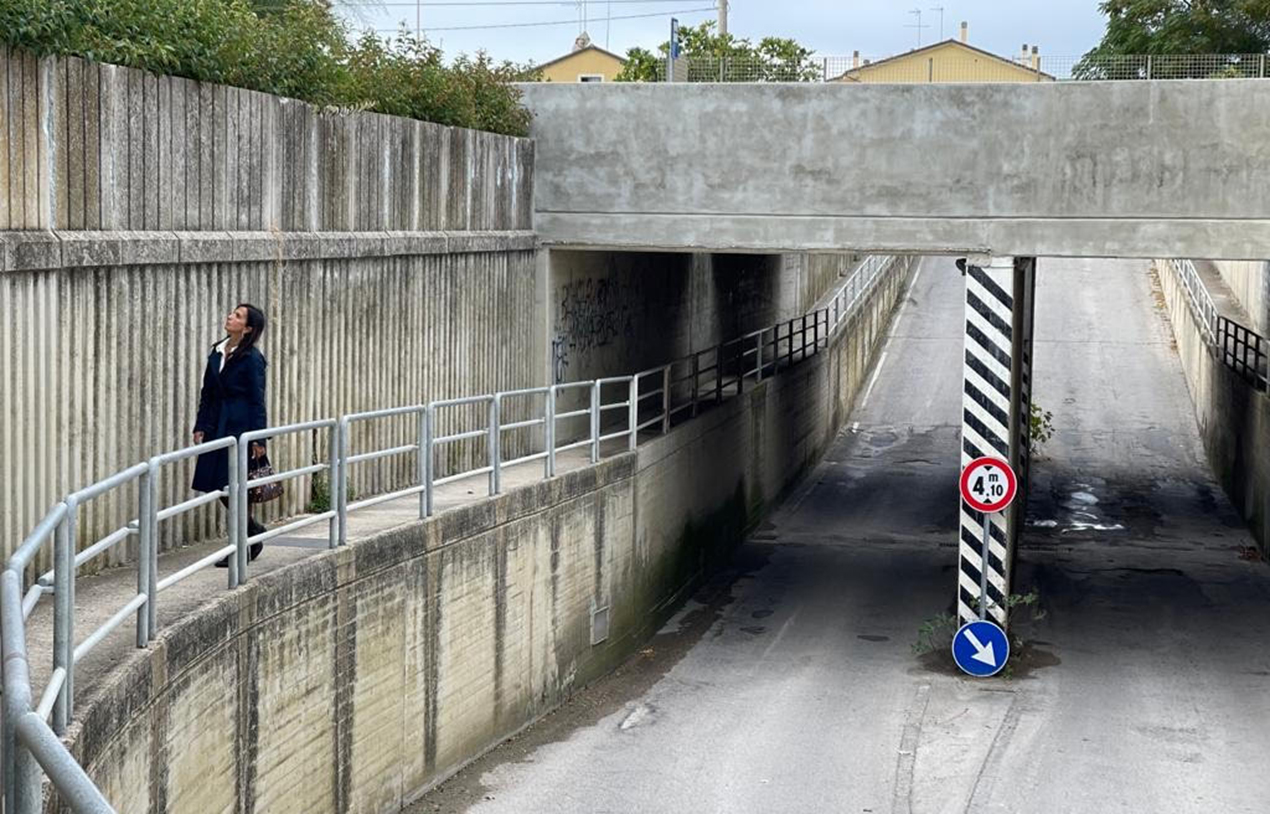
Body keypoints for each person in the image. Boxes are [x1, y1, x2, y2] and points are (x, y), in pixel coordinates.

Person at [191, 303, 269, 564]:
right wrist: (201, 424)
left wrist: (259, 437)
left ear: (247, 329)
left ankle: (241, 548)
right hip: (216, 426)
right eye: (232, 313)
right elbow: (207, 393)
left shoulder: (252, 359)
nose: (230, 317)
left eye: (237, 316)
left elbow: (258, 400)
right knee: (217, 484)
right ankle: (253, 531)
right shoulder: (217, 352)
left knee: (236, 486)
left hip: (240, 427)